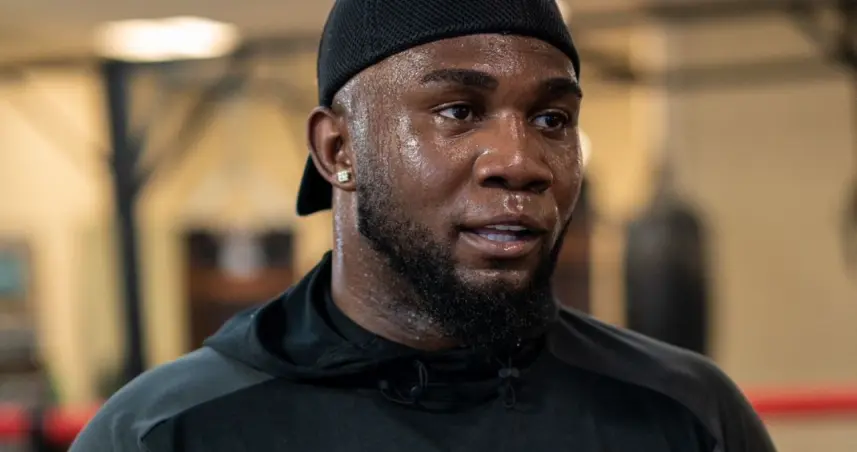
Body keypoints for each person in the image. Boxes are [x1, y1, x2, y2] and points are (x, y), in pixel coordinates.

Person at [71, 0, 776, 451]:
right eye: (457, 112)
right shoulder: (163, 433)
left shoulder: (685, 414)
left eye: (551, 119)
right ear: (337, 150)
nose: (519, 162)